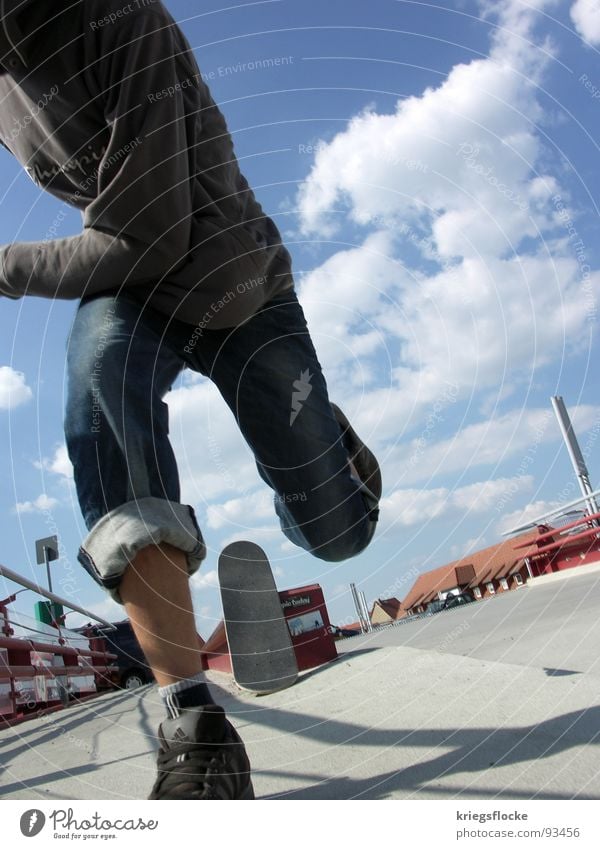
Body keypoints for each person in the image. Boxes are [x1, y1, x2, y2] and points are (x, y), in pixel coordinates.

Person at [0, 0, 381, 799]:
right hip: (133, 296)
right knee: (97, 376)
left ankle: (329, 460)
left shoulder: (118, 17)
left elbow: (149, 235)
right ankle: (194, 722)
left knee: (339, 536)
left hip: (228, 279)